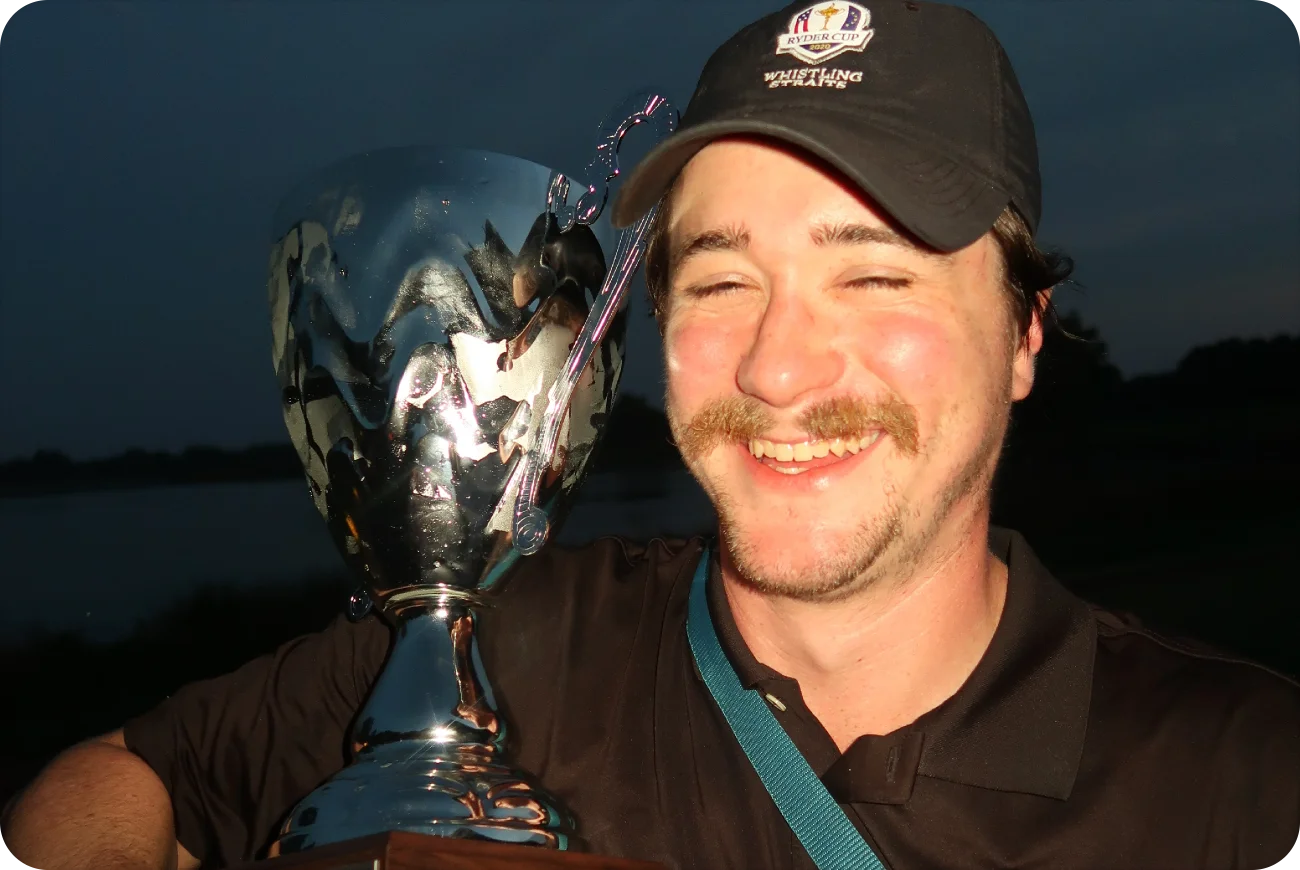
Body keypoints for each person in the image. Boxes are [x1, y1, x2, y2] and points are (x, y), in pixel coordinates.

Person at [4, 2, 1298, 869]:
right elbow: (121, 775)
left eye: (876, 273)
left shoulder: (1240, 778)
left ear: (1024, 333)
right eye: (722, 279)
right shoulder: (507, 638)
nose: (777, 365)